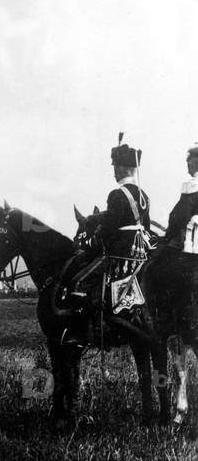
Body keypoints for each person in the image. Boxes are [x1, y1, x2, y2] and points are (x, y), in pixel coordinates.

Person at [61, 137, 151, 346]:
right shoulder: (144, 195)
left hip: (118, 253)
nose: (114, 172)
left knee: (80, 283)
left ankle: (82, 334)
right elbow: (144, 225)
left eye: (116, 167)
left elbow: (109, 227)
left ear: (121, 169)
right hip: (139, 252)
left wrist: (93, 241)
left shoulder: (116, 194)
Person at [164, 144, 198, 251]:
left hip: (188, 241)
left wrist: (168, 235)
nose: (188, 164)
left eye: (191, 162)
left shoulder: (192, 186)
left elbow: (181, 217)